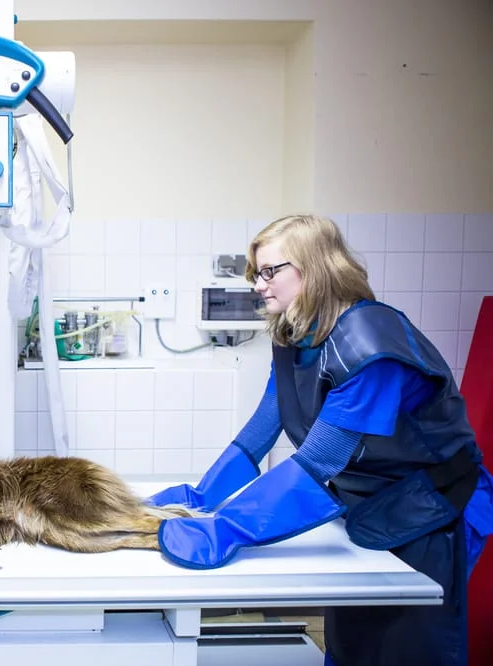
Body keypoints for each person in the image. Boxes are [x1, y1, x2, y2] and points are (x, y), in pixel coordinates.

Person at [145, 214, 493, 665]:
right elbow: (264, 426)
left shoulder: (370, 346)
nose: (258, 285)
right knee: (353, 639)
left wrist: (229, 528)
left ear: (312, 269)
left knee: (410, 645)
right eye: (257, 273)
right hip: (374, 503)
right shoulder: (297, 331)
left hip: (434, 507)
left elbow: (320, 461)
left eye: (270, 272)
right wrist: (204, 496)